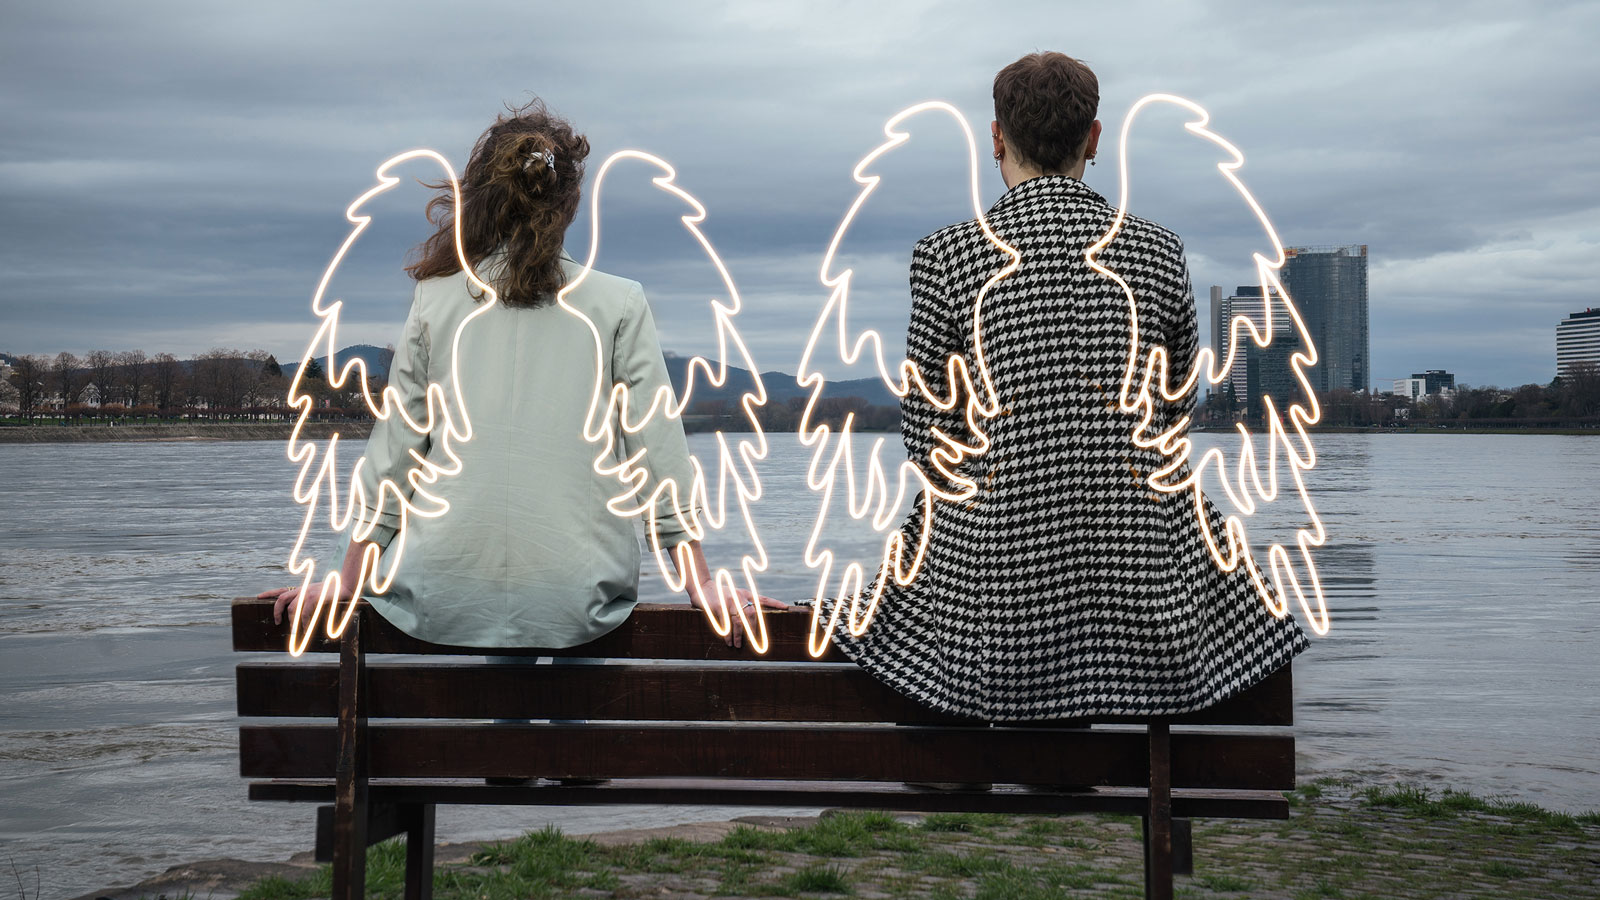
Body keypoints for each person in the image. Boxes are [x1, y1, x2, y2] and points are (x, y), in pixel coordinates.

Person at [829, 53, 1309, 724]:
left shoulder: (948, 255)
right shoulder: (1157, 251)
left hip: (993, 621)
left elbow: (925, 434)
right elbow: (1175, 412)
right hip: (1145, 616)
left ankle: (958, 752)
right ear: (1094, 138)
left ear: (996, 138)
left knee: (915, 560)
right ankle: (1072, 749)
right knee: (1195, 536)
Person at [260, 98, 781, 650]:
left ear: (480, 197)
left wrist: (346, 581)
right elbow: (657, 452)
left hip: (443, 594)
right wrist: (699, 580)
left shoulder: (434, 301)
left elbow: (394, 456)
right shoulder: (620, 303)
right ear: (569, 204)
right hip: (577, 600)